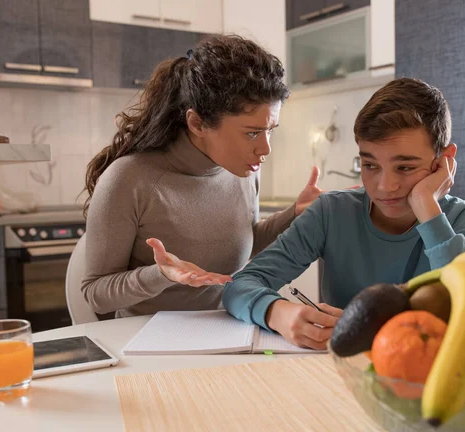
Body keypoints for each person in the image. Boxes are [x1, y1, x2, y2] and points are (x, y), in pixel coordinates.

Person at [222, 77, 465, 350]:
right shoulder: (331, 212)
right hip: (340, 371)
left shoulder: (459, 220)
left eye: (405, 167)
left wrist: (428, 209)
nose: (385, 186)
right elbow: (239, 285)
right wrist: (277, 312)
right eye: (370, 165)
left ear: (444, 160)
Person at [81, 35, 331, 318]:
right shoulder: (128, 179)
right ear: (197, 123)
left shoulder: (244, 170)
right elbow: (95, 294)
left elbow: (240, 241)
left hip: (227, 330)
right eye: (252, 132)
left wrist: (294, 213)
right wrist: (160, 274)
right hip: (148, 344)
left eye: (270, 130)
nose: (265, 148)